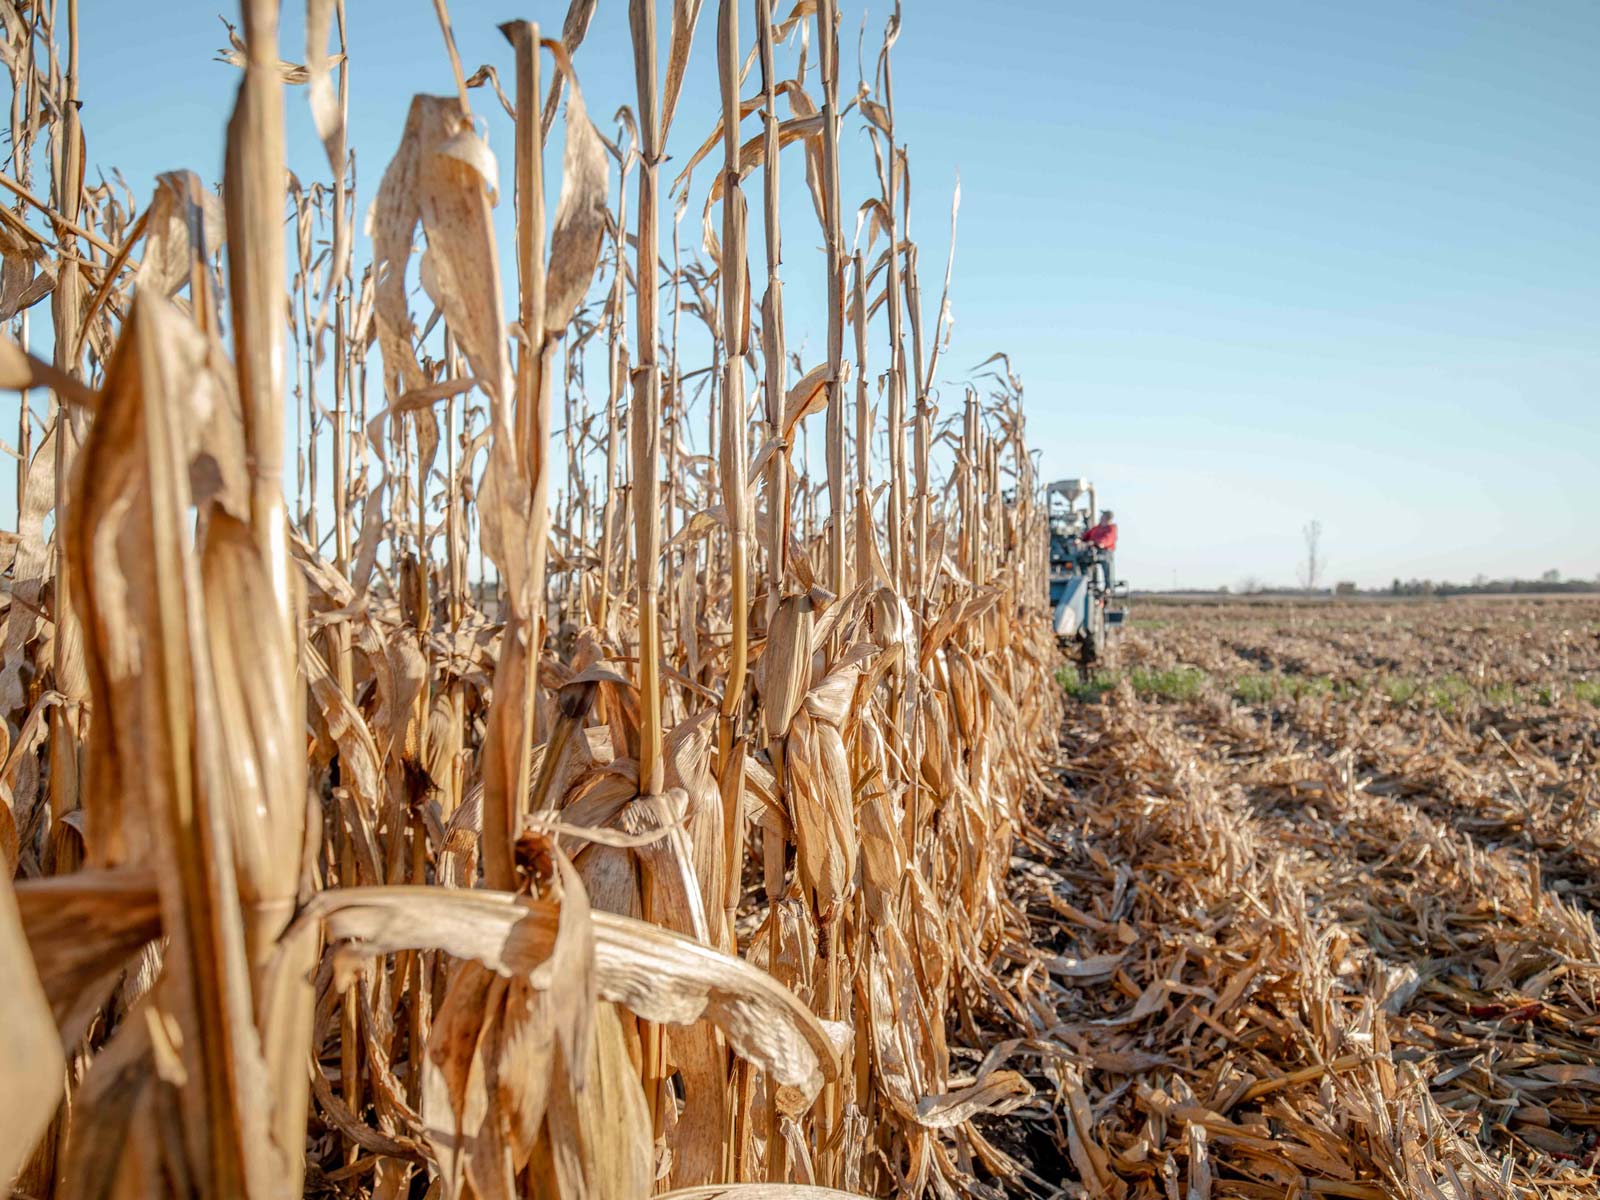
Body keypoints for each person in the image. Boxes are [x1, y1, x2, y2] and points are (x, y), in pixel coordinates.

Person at [1084, 510, 1117, 588]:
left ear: (1107, 518)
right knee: (1084, 562)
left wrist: (1099, 543)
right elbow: (1087, 535)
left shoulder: (1111, 528)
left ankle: (1108, 588)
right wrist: (1080, 539)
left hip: (1105, 551)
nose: (1101, 517)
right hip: (1093, 550)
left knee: (1107, 565)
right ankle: (1088, 582)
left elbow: (1108, 539)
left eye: (1103, 516)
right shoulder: (1097, 528)